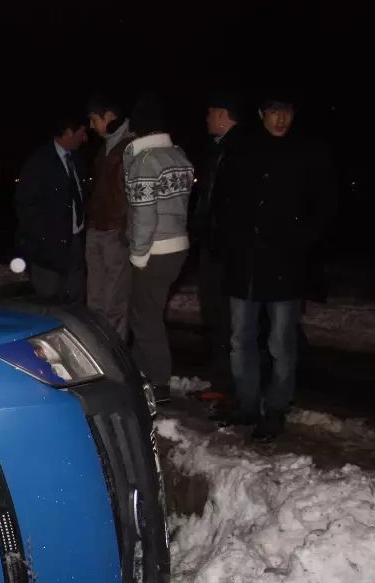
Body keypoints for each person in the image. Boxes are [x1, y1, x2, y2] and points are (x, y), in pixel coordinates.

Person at [217, 93, 336, 442]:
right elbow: (225, 200)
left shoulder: (309, 152)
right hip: (245, 265)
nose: (281, 119)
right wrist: (228, 241)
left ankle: (276, 408)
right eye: (274, 112)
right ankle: (248, 403)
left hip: (286, 265)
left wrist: (302, 239)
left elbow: (326, 206)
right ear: (261, 114)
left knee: (281, 342)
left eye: (287, 112)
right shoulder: (244, 150)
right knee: (241, 339)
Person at [123, 94, 194, 405]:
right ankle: (138, 373)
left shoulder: (145, 162)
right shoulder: (179, 157)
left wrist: (138, 254)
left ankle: (159, 382)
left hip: (155, 249)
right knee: (148, 312)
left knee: (145, 318)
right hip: (179, 246)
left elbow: (144, 214)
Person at [188, 88, 246, 407]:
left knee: (225, 320)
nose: (207, 118)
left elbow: (229, 204)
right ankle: (224, 382)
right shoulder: (221, 149)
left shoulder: (237, 151)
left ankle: (231, 386)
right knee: (218, 319)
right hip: (216, 248)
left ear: (223, 115)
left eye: (211, 112)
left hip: (225, 253)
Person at [15, 115, 89, 301]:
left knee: (75, 304)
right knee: (50, 305)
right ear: (69, 132)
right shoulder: (39, 162)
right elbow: (26, 206)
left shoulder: (78, 160)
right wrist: (45, 237)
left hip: (75, 243)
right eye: (82, 132)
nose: (85, 138)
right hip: (47, 250)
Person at [84, 94, 136, 339]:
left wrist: (126, 230)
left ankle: (115, 359)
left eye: (95, 120)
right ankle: (97, 354)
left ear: (109, 116)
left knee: (114, 303)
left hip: (115, 232)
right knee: (96, 301)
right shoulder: (107, 146)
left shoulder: (130, 146)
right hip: (97, 230)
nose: (92, 127)